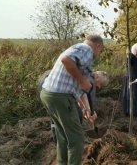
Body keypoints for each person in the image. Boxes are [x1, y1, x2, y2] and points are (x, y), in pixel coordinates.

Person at [40, 34, 104, 165]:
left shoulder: (79, 52)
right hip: (60, 96)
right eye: (101, 50)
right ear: (98, 46)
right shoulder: (86, 49)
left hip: (49, 94)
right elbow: (66, 60)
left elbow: (78, 91)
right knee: (77, 140)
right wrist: (82, 81)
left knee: (63, 137)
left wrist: (86, 109)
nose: (98, 54)